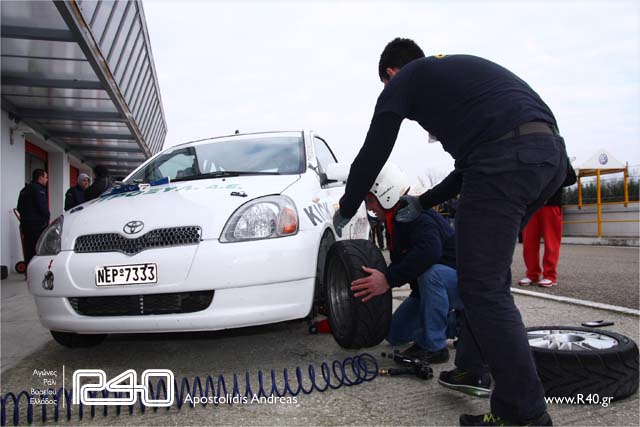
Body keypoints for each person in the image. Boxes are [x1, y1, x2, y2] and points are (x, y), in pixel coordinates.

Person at [333, 38, 574, 426]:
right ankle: (474, 369)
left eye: (387, 85)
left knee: (483, 289)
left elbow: (373, 151)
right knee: (487, 281)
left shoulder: (405, 79)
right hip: (547, 158)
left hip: (504, 163)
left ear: (391, 73)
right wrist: (424, 201)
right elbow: (467, 168)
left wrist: (347, 206)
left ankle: (524, 415)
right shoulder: (458, 82)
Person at [353, 163, 474, 369]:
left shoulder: (417, 215)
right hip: (431, 290)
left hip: (464, 284)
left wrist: (388, 279)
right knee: (395, 334)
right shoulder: (395, 220)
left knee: (432, 273)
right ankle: (460, 325)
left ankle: (435, 347)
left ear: (385, 194)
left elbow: (430, 252)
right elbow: (406, 263)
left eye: (370, 200)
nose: (369, 207)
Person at [519, 168, 575, 287]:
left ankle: (550, 276)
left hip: (551, 204)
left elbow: (571, 178)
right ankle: (532, 274)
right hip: (531, 206)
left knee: (551, 243)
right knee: (529, 243)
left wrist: (551, 181)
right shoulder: (529, 158)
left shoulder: (560, 157)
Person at [16, 169, 50, 267]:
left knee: (28, 249)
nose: (47, 180)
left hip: (25, 225)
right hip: (37, 225)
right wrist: (47, 217)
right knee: (38, 248)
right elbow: (42, 207)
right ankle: (36, 269)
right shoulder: (39, 189)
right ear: (40, 178)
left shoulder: (24, 189)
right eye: (46, 177)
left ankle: (28, 269)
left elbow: (19, 207)